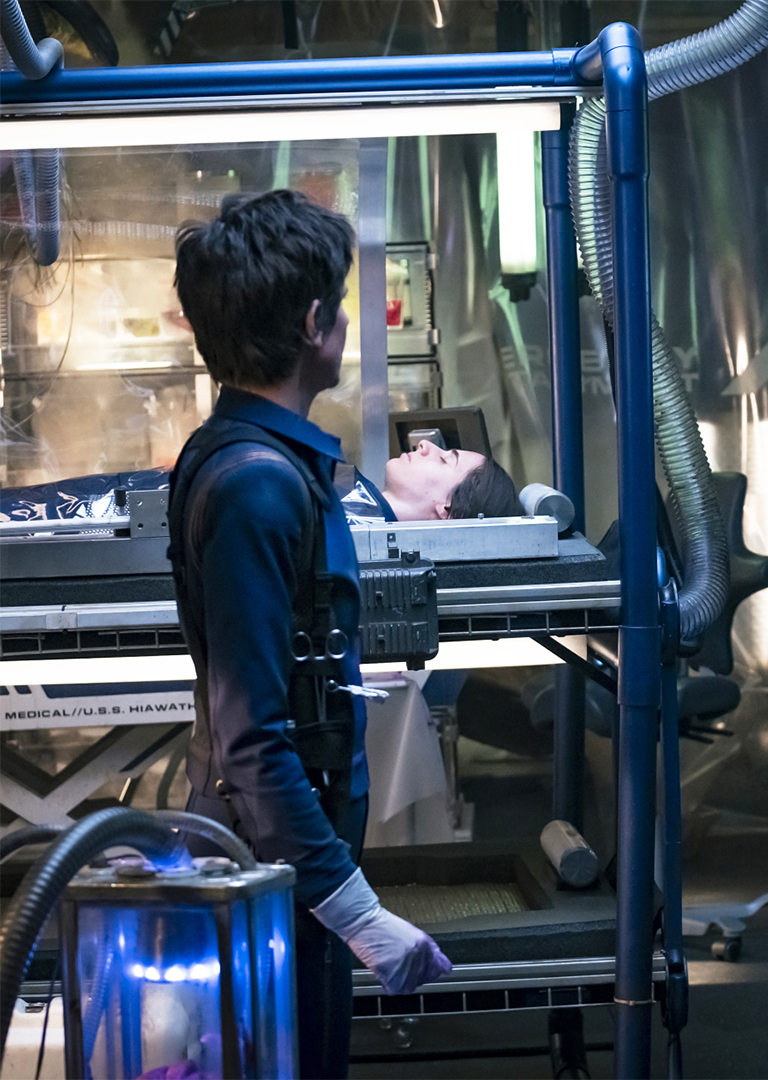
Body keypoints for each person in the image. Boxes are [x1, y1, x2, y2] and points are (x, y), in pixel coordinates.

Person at [166, 189, 452, 1079]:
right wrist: (356, 912)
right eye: (342, 306)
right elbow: (253, 736)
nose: (346, 325)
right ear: (314, 324)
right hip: (276, 874)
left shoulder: (258, 460)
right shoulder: (257, 485)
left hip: (292, 868)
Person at [1, 433, 521, 524]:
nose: (427, 445)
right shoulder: (341, 491)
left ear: (446, 510)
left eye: (445, 460)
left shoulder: (345, 526)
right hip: (102, 504)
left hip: (84, 526)